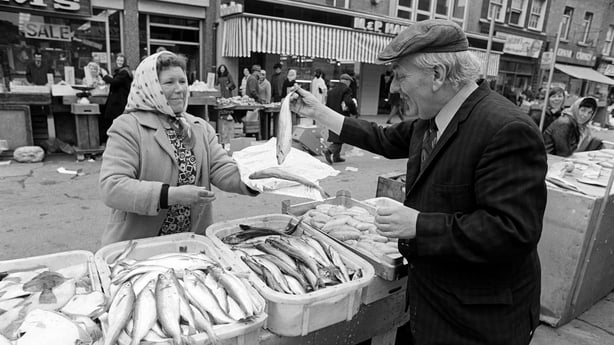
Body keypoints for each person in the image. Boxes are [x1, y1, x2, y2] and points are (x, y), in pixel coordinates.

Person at [289, 19, 546, 345]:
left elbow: (513, 232)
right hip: (429, 303)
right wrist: (319, 112)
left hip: (477, 321)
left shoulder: (506, 129)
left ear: (437, 75)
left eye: (400, 75)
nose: (394, 87)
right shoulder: (431, 120)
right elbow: (381, 138)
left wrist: (420, 225)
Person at [99, 51, 258, 245]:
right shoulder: (127, 127)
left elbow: (220, 168)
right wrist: (171, 196)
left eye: (183, 81)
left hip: (190, 244)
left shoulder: (198, 127)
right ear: (150, 87)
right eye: (169, 83)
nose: (179, 89)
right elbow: (112, 187)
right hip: (139, 246)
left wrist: (254, 179)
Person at [322, 73, 357, 164]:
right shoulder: (346, 89)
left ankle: (336, 157)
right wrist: (354, 111)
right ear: (347, 81)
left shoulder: (331, 91)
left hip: (331, 116)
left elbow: (327, 105)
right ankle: (329, 151)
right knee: (341, 138)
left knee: (336, 137)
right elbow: (348, 102)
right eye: (349, 82)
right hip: (341, 117)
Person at [100, 53, 133, 143]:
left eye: (121, 60)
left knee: (113, 121)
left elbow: (114, 82)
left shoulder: (124, 72)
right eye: (118, 60)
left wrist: (105, 75)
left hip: (118, 101)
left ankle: (112, 141)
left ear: (124, 62)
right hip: (117, 100)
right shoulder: (122, 71)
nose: (119, 62)